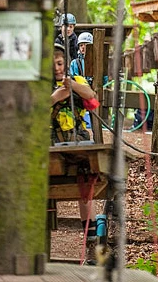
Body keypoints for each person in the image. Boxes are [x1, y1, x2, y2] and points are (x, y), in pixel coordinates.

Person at [50, 39, 100, 231]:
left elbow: (91, 96)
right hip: (51, 142)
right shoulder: (40, 86)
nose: (56, 68)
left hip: (78, 141)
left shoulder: (77, 80)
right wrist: (55, 97)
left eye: (60, 63)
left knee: (85, 182)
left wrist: (71, 86)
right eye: (52, 64)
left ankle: (91, 232)